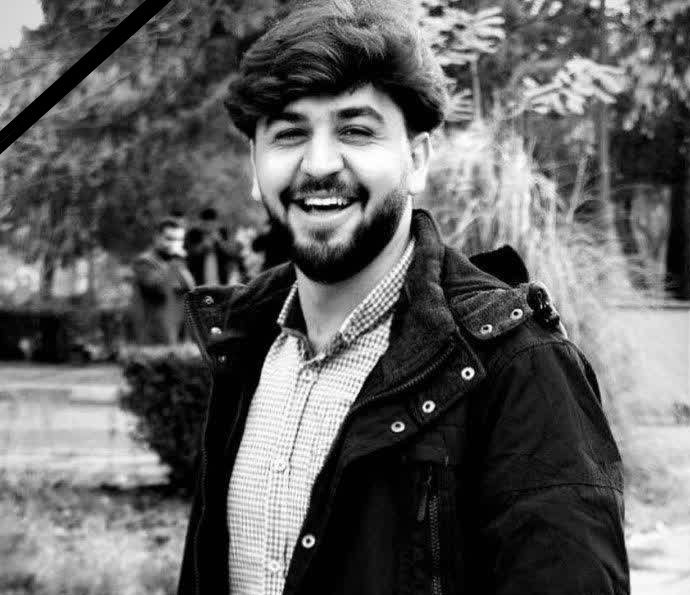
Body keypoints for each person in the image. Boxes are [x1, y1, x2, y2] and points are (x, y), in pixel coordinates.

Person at [178, 2, 630, 594]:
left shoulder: (518, 364)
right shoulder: (243, 344)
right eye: (289, 134)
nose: (319, 164)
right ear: (255, 168)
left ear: (416, 160)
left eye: (356, 131)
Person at [130, 217, 195, 345]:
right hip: (154, 337)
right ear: (157, 237)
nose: (175, 244)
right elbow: (159, 287)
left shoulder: (176, 262)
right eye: (169, 239)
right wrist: (175, 262)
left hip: (178, 334)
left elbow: (191, 290)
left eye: (179, 240)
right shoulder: (144, 261)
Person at [185, 207, 246, 285]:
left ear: (216, 223)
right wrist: (204, 245)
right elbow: (190, 253)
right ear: (201, 223)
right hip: (198, 277)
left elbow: (231, 253)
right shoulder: (193, 234)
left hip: (220, 277)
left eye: (212, 224)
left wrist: (219, 241)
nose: (209, 227)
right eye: (206, 224)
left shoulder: (223, 233)